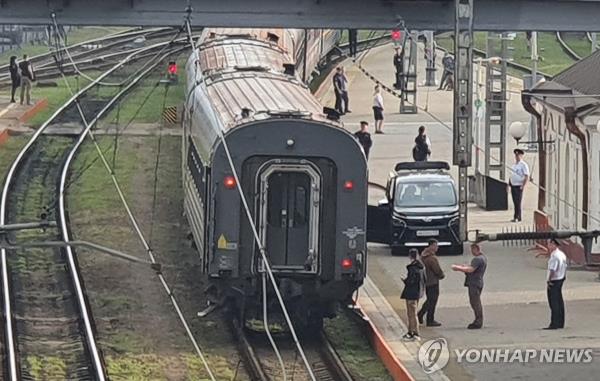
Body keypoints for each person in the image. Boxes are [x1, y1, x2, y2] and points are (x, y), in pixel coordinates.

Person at [452, 243, 487, 329]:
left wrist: (458, 268)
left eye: (472, 250)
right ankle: (478, 320)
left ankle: (478, 321)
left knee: (475, 303)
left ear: (476, 249)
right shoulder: (483, 258)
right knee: (475, 302)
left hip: (474, 283)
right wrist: (464, 267)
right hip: (478, 282)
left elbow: (471, 270)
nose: (471, 252)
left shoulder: (477, 259)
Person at [418, 239, 445, 327]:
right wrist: (441, 275)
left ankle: (421, 314)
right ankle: (430, 319)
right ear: (432, 246)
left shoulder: (423, 256)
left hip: (426, 281)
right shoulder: (432, 258)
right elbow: (437, 270)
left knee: (429, 300)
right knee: (432, 301)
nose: (437, 247)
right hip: (433, 281)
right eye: (436, 246)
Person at [401, 248, 426, 341]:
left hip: (411, 293)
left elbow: (411, 281)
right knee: (413, 313)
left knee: (411, 313)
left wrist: (405, 281)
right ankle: (411, 331)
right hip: (418, 293)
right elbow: (424, 279)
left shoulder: (412, 268)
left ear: (410, 256)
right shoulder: (422, 267)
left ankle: (414, 333)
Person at [545, 238, 567, 330]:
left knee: (553, 302)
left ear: (553, 244)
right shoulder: (562, 254)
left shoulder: (554, 256)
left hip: (554, 280)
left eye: (549, 244)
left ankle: (554, 323)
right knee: (559, 301)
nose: (548, 246)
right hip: (561, 278)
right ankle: (561, 322)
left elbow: (553, 270)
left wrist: (549, 280)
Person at [508, 148, 530, 222]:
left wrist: (523, 185)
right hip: (513, 185)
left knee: (518, 202)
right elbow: (511, 175)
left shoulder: (523, 165)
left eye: (518, 155)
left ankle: (518, 217)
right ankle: (516, 216)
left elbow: (526, 176)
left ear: (521, 156)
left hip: (519, 186)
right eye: (516, 155)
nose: (517, 157)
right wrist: (509, 185)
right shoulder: (514, 165)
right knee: (515, 202)